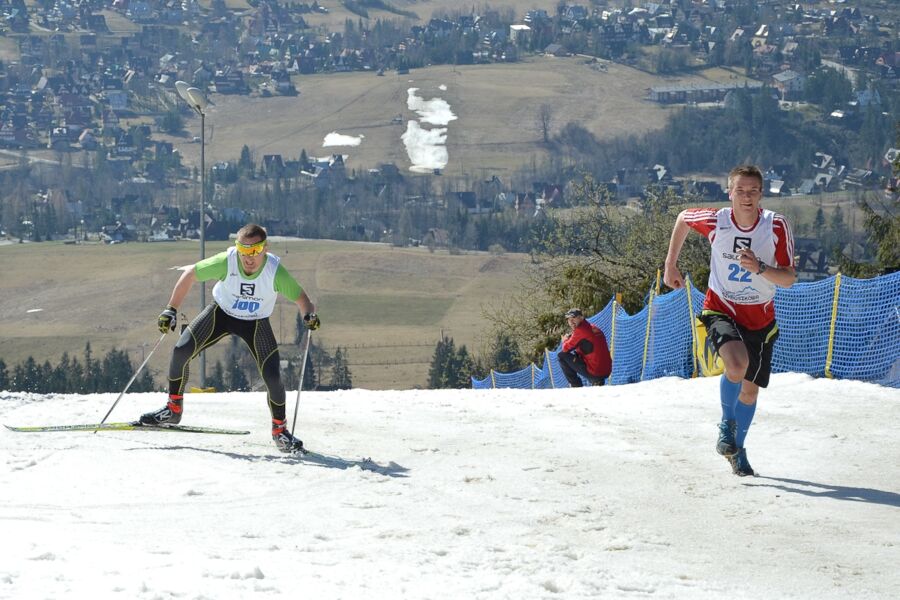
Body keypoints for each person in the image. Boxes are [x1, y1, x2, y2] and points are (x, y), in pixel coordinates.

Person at [663, 165, 796, 476]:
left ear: (761, 194)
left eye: (752, 191)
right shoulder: (716, 220)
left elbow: (788, 279)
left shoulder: (776, 225)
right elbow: (683, 217)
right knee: (736, 366)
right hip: (721, 307)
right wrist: (671, 265)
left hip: (760, 317)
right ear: (730, 193)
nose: (746, 197)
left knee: (749, 391)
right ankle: (727, 422)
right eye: (740, 191)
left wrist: (761, 268)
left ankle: (737, 448)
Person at [141, 223, 320, 453]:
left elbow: (302, 298)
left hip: (255, 322)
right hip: (221, 314)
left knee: (273, 376)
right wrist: (170, 309)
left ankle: (280, 431)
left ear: (265, 248)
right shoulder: (228, 260)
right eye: (243, 250)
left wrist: (309, 315)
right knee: (180, 351)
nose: (248, 257)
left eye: (254, 251)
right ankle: (173, 409)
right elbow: (190, 274)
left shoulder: (274, 270)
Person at [557, 308, 612, 387]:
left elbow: (565, 348)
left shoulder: (580, 330)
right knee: (579, 353)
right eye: (569, 320)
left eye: (574, 318)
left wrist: (565, 341)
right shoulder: (593, 327)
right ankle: (597, 381)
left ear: (581, 318)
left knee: (561, 355)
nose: (571, 322)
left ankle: (576, 385)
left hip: (595, 372)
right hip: (607, 370)